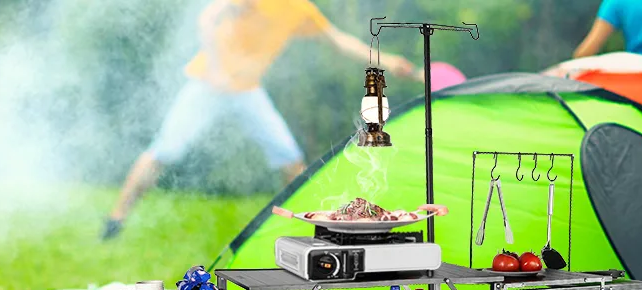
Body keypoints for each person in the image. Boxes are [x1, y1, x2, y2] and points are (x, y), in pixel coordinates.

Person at [102, 0, 417, 240]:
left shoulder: (299, 9)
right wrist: (216, 67)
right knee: (165, 150)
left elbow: (338, 40)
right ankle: (116, 218)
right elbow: (209, 18)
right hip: (207, 84)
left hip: (247, 91)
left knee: (289, 158)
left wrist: (387, 60)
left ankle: (315, 228)